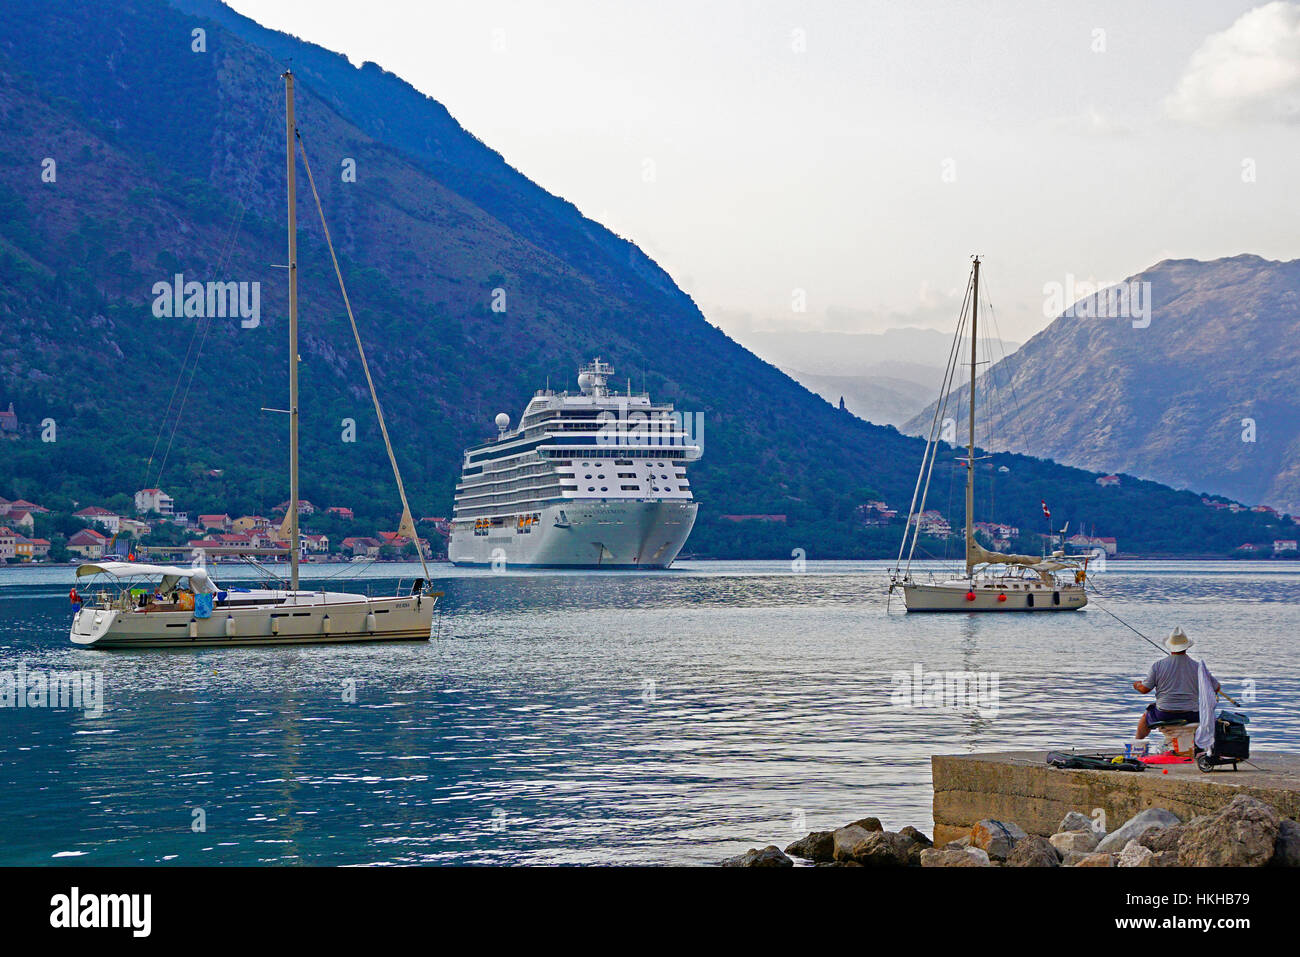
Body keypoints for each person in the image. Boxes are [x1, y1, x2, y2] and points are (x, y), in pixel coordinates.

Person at [1132, 627, 1220, 740]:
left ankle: (1137, 744)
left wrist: (1137, 685)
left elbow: (1144, 689)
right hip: (1191, 714)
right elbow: (1216, 688)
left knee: (1146, 716)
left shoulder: (1158, 665)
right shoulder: (1198, 667)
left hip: (1164, 713)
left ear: (1170, 647)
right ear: (1186, 647)